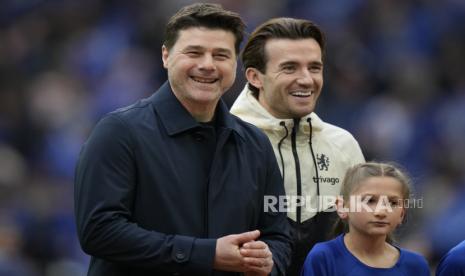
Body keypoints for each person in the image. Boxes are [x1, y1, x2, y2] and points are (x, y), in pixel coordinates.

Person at [74, 3, 291, 276]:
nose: (207, 65)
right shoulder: (118, 132)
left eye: (221, 55)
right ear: (166, 56)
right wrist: (205, 254)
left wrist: (267, 261)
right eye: (194, 52)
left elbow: (279, 238)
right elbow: (99, 231)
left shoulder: (256, 145)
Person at [230, 17, 365, 274]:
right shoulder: (224, 141)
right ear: (255, 77)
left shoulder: (343, 145)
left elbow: (365, 237)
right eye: (290, 68)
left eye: (314, 68)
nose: (306, 80)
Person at [301, 162, 430, 275]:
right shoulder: (324, 257)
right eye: (369, 201)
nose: (381, 211)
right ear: (342, 207)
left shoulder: (416, 265)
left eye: (392, 203)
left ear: (402, 213)